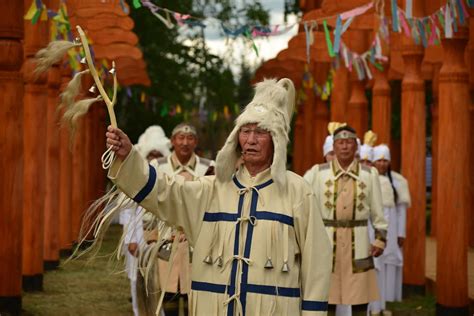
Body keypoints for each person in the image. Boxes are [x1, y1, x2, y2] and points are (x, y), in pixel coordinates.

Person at [105, 78, 332, 315]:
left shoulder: (298, 191)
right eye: (246, 131)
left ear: (277, 140)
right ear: (236, 138)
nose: (251, 140)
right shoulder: (211, 190)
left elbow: (317, 261)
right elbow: (167, 192)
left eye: (261, 132)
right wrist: (130, 156)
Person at [303, 125, 387, 316]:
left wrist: (380, 238)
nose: (345, 147)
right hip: (326, 240)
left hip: (359, 241)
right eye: (340, 142)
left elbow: (377, 211)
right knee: (327, 295)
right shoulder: (318, 173)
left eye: (349, 142)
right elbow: (301, 201)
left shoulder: (369, 174)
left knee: (360, 295)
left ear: (356, 146)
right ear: (334, 145)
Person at [154, 123, 213, 315]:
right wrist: (150, 237)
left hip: (198, 242)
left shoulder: (210, 168)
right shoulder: (158, 166)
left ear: (196, 142)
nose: (185, 142)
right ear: (172, 141)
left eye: (189, 139)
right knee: (168, 291)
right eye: (180, 138)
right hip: (166, 240)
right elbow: (148, 205)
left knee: (195, 297)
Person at [120, 125, 171, 316]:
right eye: (152, 153)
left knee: (161, 279)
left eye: (158, 153)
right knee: (138, 279)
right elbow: (127, 211)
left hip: (162, 238)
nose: (154, 157)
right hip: (138, 238)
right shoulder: (134, 175)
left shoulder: (166, 175)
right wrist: (131, 239)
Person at [368, 144, 410, 315]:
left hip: (391, 231)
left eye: (386, 160)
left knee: (386, 264)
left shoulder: (398, 181)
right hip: (371, 228)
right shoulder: (368, 178)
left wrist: (401, 232)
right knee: (373, 265)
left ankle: (383, 305)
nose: (382, 164)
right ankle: (371, 306)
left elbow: (401, 210)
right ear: (373, 162)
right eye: (379, 160)